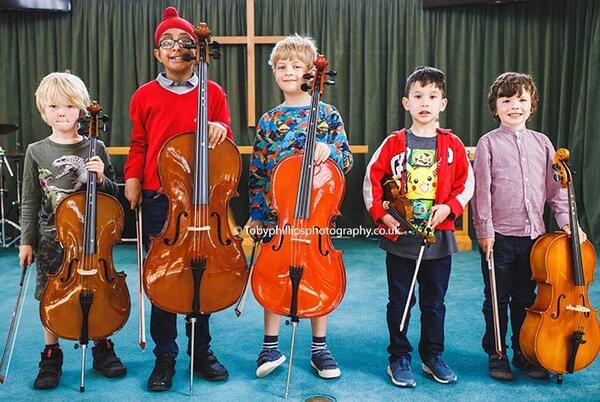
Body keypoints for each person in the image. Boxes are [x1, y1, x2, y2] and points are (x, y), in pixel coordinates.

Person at [123, 6, 233, 392]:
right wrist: (133, 177)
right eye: (167, 43)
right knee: (165, 278)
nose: (176, 48)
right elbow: (139, 143)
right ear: (157, 54)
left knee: (201, 277)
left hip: (203, 203)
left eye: (185, 43)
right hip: (159, 199)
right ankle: (165, 355)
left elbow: (226, 149)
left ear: (194, 50)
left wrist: (220, 126)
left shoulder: (213, 92)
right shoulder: (144, 95)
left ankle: (201, 351)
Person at [247, 34, 353, 380]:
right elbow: (259, 172)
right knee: (272, 272)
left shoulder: (327, 115)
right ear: (274, 72)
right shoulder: (270, 120)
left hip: (316, 214)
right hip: (280, 216)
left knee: (317, 272)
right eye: (282, 66)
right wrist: (258, 214)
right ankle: (269, 345)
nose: (288, 71)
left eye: (296, 66)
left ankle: (319, 348)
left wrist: (330, 152)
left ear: (311, 73)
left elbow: (347, 159)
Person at [471, 72, 587, 381]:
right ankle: (496, 354)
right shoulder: (488, 143)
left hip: (535, 239)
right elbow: (481, 193)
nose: (515, 106)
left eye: (521, 99)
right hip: (500, 238)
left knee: (527, 299)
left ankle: (523, 351)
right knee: (497, 298)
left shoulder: (543, 143)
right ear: (495, 107)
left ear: (532, 105)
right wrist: (485, 231)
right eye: (506, 100)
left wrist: (567, 223)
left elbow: (555, 191)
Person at [363, 66, 473, 388]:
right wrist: (380, 215)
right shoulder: (394, 142)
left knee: (434, 303)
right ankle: (398, 355)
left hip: (438, 242)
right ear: (406, 102)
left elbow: (466, 184)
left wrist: (450, 208)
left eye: (432, 96)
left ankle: (432, 355)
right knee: (400, 301)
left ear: (443, 103)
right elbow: (372, 180)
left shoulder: (452, 145)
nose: (425, 102)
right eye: (418, 96)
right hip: (401, 242)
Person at [19, 71, 127, 389]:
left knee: (97, 289)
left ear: (81, 110)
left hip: (92, 240)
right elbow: (29, 199)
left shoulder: (96, 147)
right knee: (50, 295)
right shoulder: (36, 151)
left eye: (68, 106)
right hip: (51, 239)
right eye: (53, 106)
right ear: (43, 111)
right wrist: (26, 241)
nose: (61, 112)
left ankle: (102, 344)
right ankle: (51, 352)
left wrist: (101, 177)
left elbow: (114, 196)